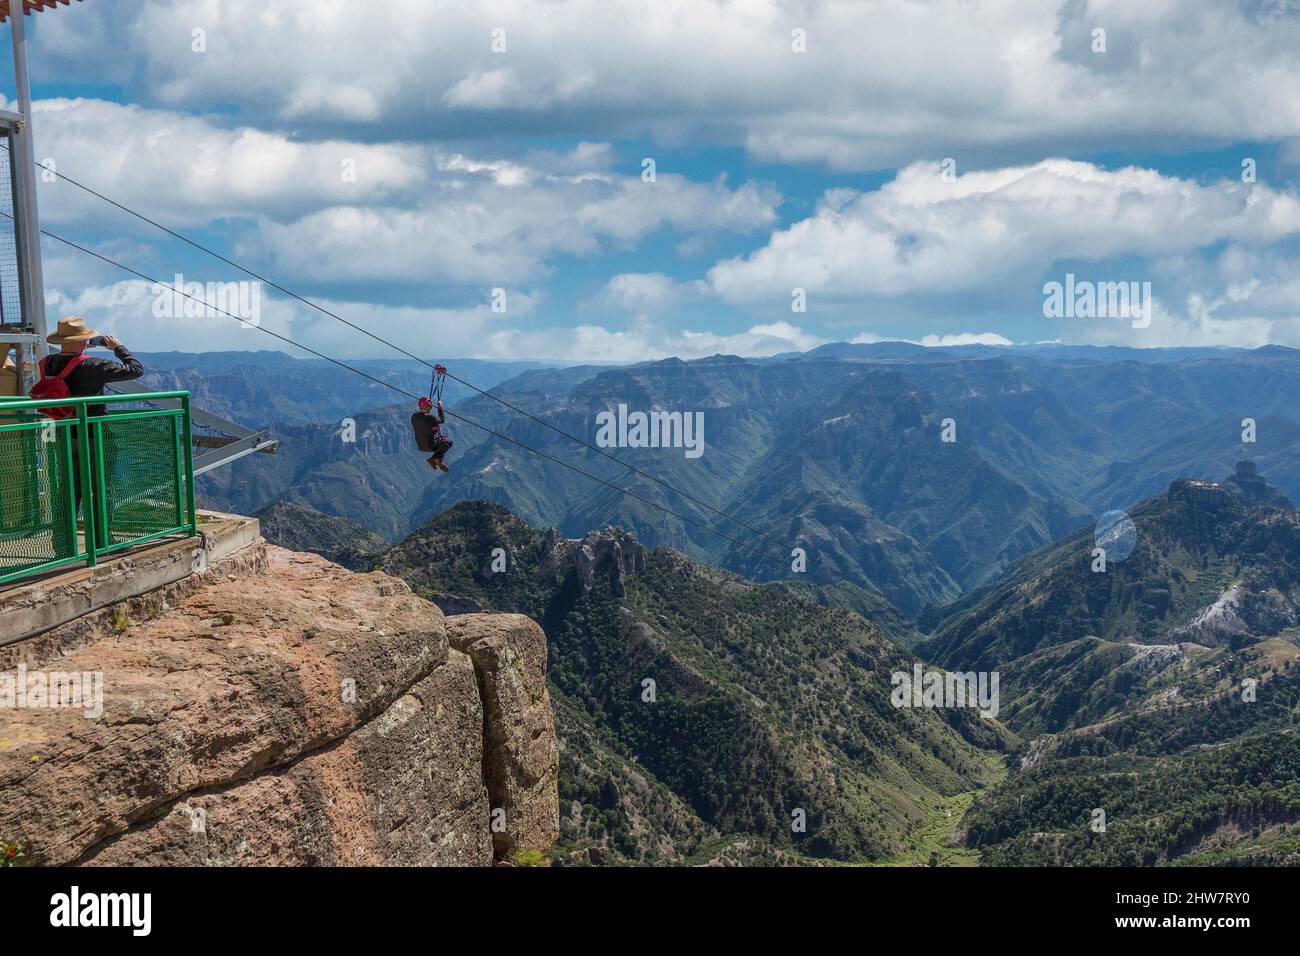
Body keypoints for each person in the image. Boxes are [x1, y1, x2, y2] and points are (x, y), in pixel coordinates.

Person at [36, 316, 144, 547]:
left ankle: (63, 543)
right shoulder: (93, 365)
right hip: (95, 434)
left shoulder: (46, 364)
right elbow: (135, 370)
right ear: (83, 341)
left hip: (63, 432)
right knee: (101, 487)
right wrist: (117, 347)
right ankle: (103, 541)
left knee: (70, 488)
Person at [410, 396, 452, 471]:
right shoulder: (429, 417)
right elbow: (442, 420)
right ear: (427, 407)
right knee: (448, 442)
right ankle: (433, 459)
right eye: (430, 407)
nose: (430, 409)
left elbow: (424, 427)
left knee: (440, 443)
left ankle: (439, 460)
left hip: (421, 446)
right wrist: (440, 407)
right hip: (431, 445)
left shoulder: (413, 417)